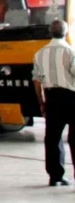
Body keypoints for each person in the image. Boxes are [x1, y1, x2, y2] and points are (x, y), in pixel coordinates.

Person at [32, 19, 75, 187]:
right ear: (65, 32)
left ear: (50, 33)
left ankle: (55, 176)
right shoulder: (70, 52)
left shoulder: (39, 53)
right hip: (72, 97)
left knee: (52, 138)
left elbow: (36, 81)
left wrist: (42, 102)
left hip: (51, 98)